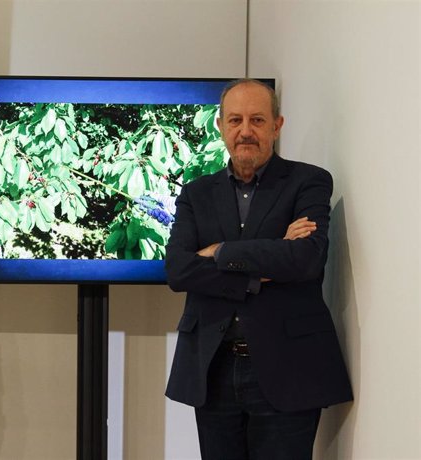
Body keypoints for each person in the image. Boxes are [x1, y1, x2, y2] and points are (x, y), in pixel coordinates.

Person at [165, 79, 353, 459]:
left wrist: (219, 251)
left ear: (277, 125)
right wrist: (259, 267)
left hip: (290, 368)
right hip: (213, 368)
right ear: (220, 126)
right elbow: (179, 270)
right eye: (235, 120)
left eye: (257, 120)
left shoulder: (309, 181)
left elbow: (305, 259)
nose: (245, 131)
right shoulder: (196, 193)